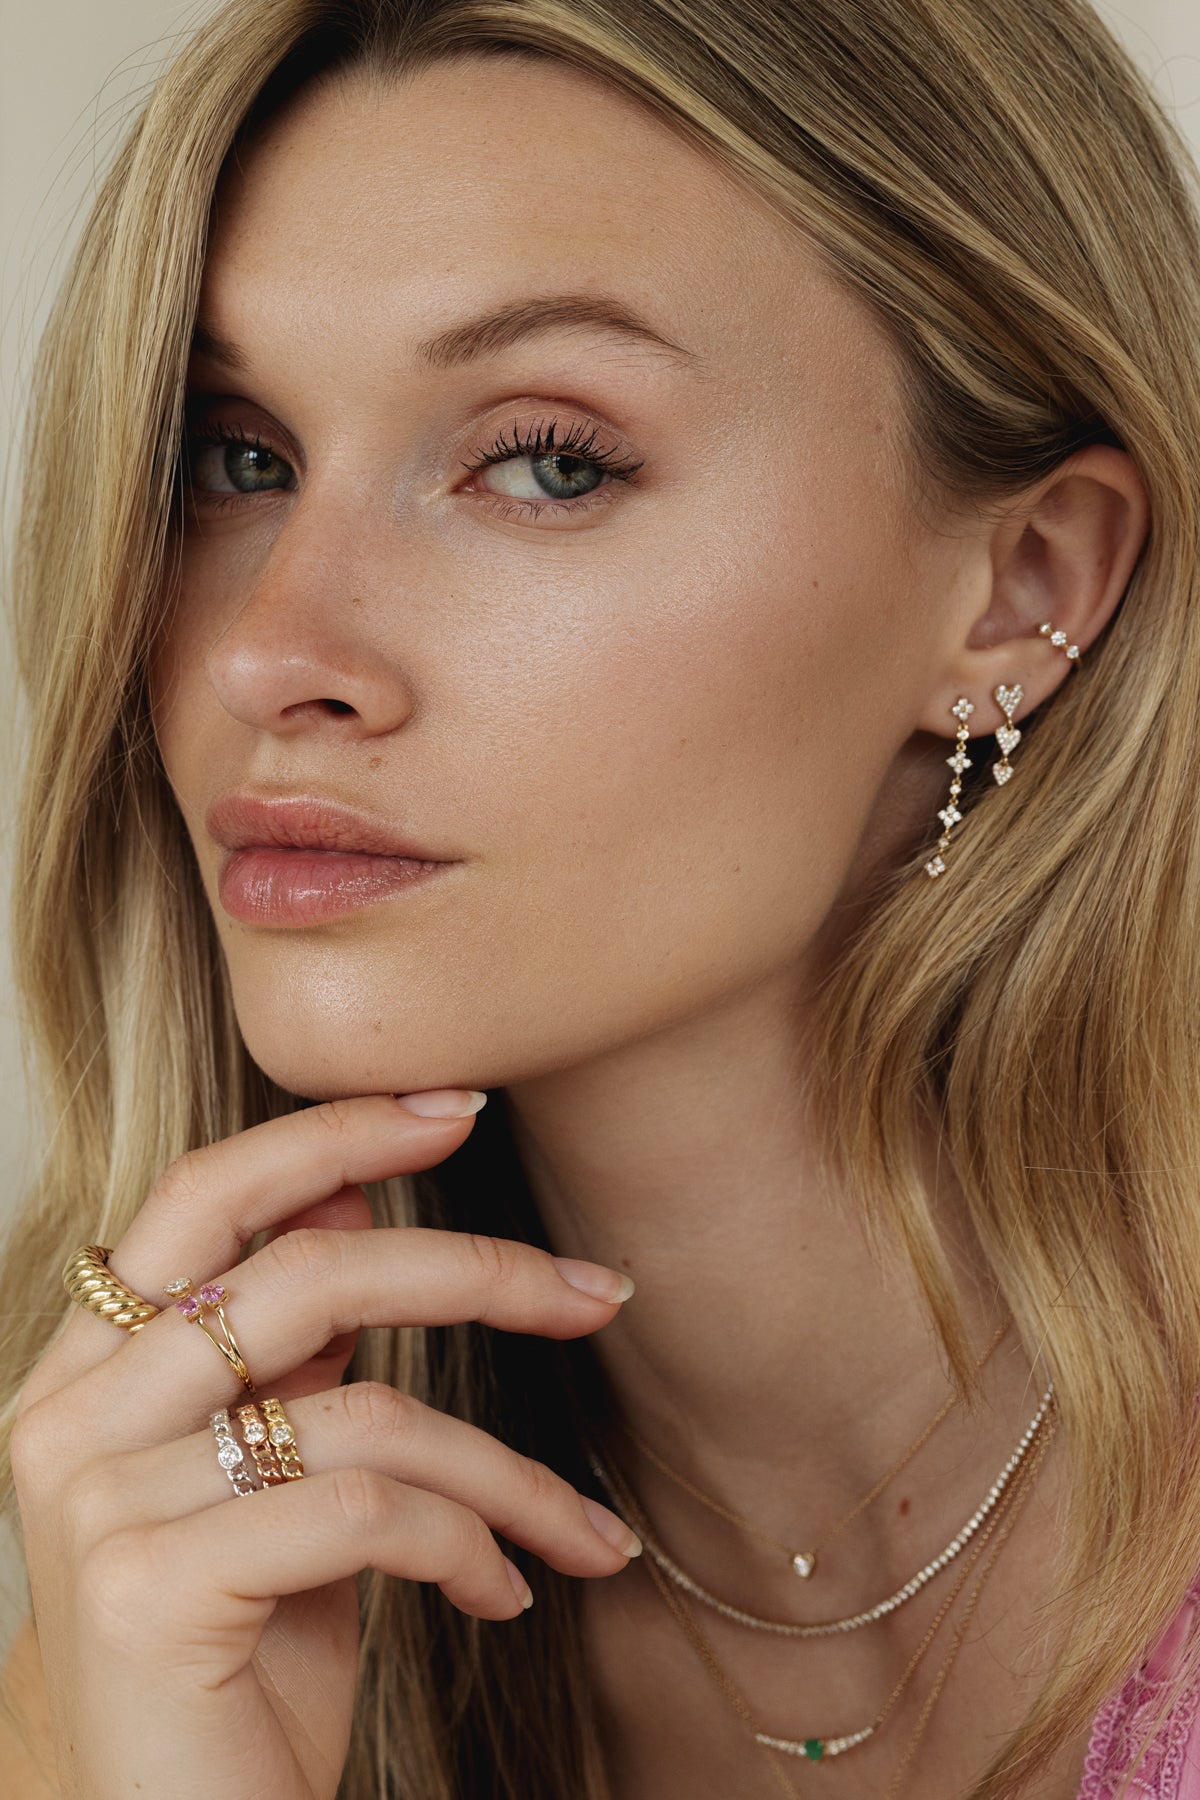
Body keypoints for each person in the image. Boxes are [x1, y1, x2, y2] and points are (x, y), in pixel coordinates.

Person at [1, 0, 1199, 1793]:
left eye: (547, 460)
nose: (268, 652)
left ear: (1023, 586)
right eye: (238, 456)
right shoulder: (167, 1628)